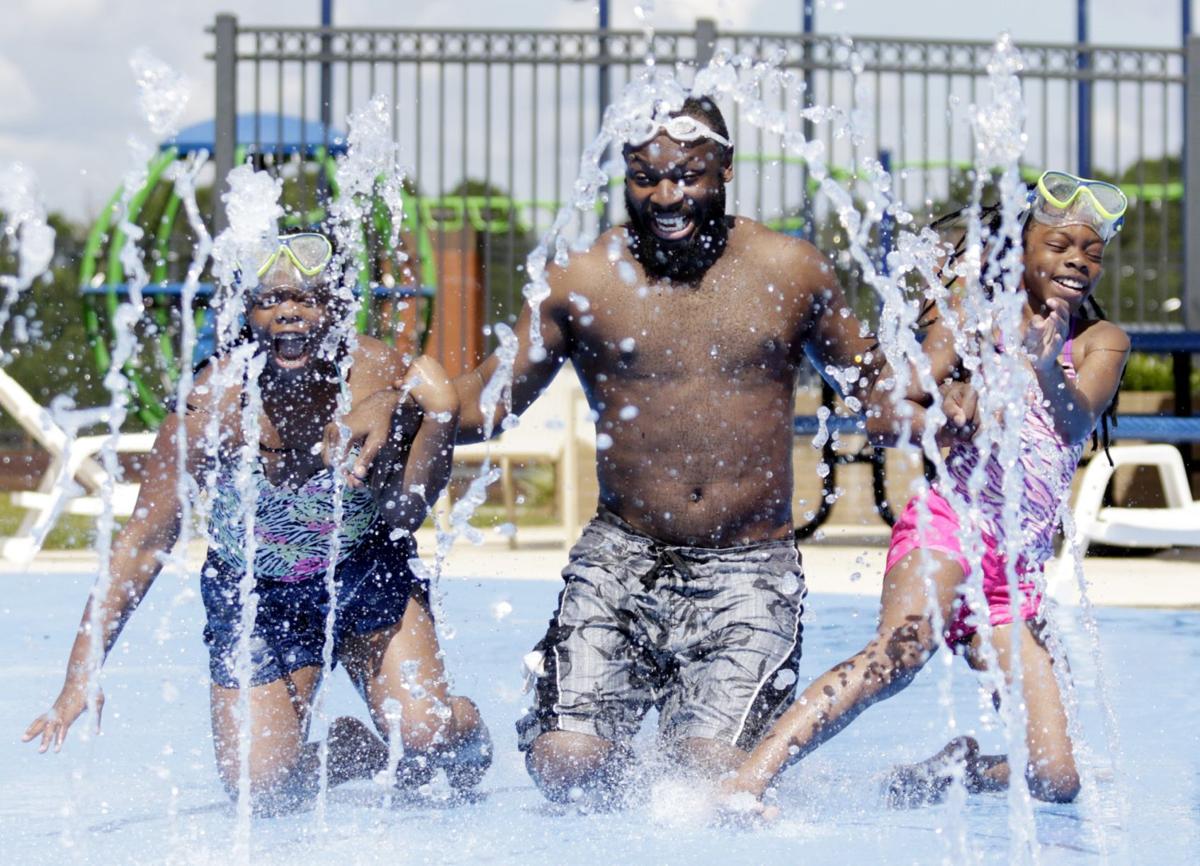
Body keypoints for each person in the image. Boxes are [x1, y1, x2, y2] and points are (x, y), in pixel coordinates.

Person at [342, 95, 911, 804]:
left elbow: (879, 388)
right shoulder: (586, 280)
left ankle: (707, 745)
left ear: (726, 170)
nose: (667, 197)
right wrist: (399, 406)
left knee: (701, 784)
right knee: (569, 769)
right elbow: (489, 402)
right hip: (622, 560)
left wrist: (942, 395)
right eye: (646, 177)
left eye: (688, 175)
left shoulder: (790, 271)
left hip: (748, 571)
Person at [23, 231, 490, 812]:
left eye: (307, 298)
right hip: (255, 594)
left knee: (427, 737)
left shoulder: (379, 377)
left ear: (339, 306)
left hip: (363, 568)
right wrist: (81, 673)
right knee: (261, 791)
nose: (287, 312)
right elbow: (143, 542)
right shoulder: (208, 410)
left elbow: (406, 511)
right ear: (246, 313)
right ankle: (348, 751)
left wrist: (436, 415)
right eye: (269, 301)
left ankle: (463, 728)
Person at [723, 170, 1131, 808]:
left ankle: (955, 771)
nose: (1077, 260)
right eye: (1058, 245)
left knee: (1057, 779)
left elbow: (1075, 420)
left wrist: (1043, 365)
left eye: (1092, 252)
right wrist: (948, 407)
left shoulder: (1101, 343)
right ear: (1020, 249)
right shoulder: (970, 318)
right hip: (949, 527)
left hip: (1014, 578)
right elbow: (892, 409)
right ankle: (747, 781)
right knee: (897, 658)